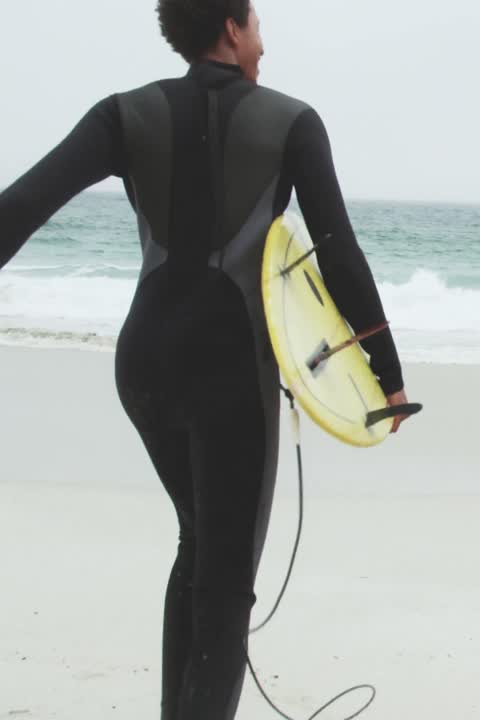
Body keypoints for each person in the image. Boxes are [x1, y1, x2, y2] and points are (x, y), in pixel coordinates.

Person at [0, 2, 414, 717]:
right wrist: (387, 374)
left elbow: (17, 210)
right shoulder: (292, 121)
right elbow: (338, 254)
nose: (264, 41)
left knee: (199, 543)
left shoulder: (121, 114)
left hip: (146, 364)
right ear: (231, 27)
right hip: (231, 366)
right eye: (257, 23)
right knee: (226, 581)